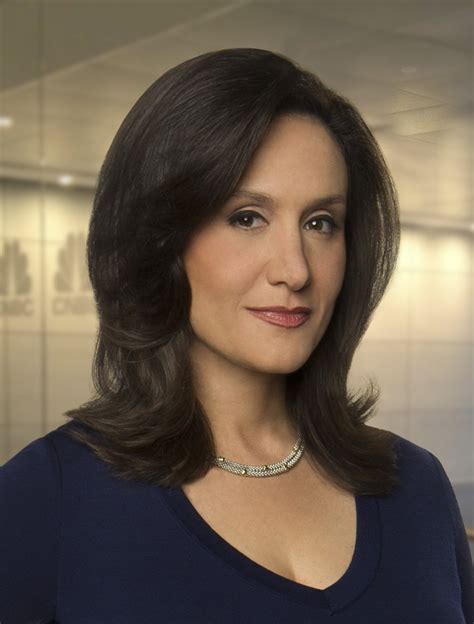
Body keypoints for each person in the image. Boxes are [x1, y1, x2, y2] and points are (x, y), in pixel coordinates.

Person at [0, 48, 472, 624]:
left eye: (320, 223)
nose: (295, 270)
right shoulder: (51, 497)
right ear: (161, 241)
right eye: (247, 217)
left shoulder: (416, 486)